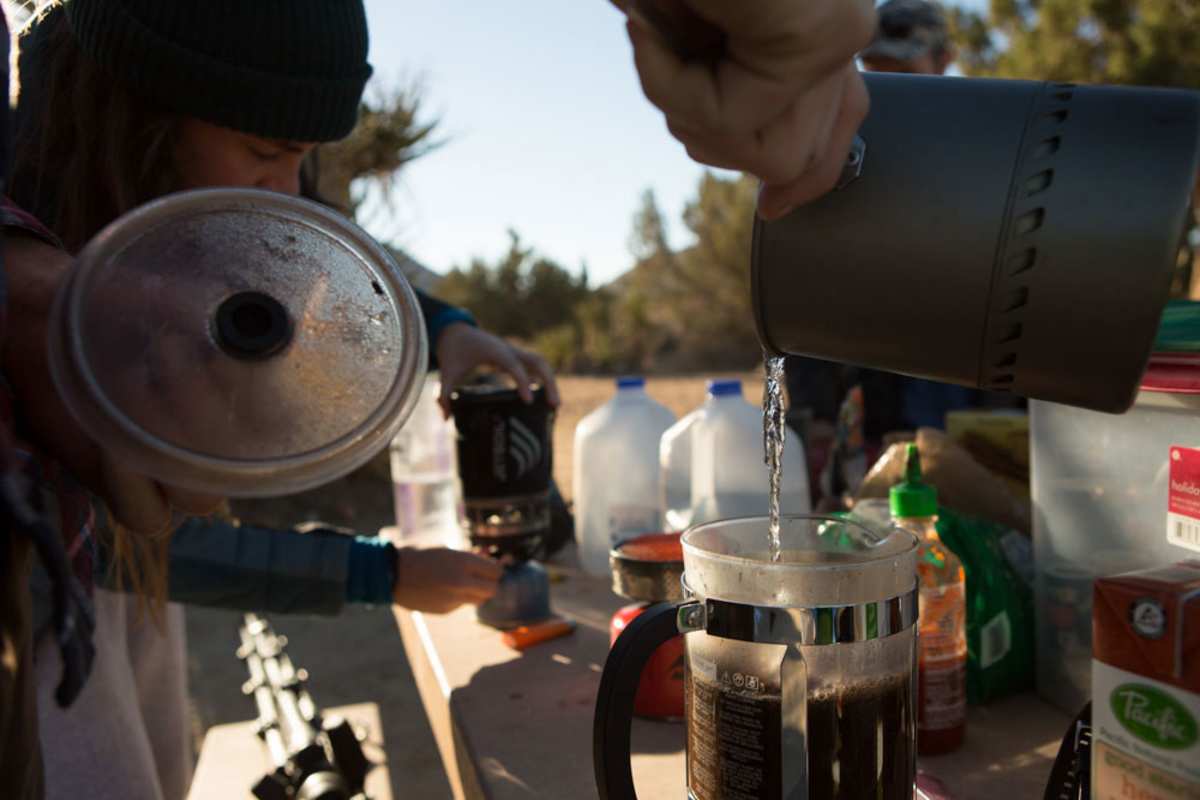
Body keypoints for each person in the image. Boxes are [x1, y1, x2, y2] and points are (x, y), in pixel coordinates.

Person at [0, 0, 877, 797]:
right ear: (135, 121)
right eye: (265, 153)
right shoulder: (38, 250)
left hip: (112, 632)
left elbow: (323, 262)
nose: (285, 194)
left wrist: (446, 327)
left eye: (306, 160)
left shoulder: (176, 195)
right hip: (43, 649)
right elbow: (145, 539)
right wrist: (376, 573)